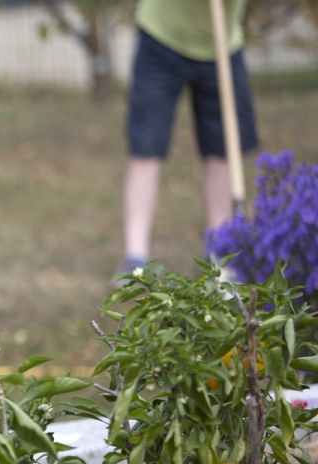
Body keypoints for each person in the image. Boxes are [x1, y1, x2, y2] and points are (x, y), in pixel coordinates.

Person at [120, 0, 259, 276]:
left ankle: (219, 255)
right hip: (161, 38)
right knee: (146, 150)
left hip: (223, 45)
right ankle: (135, 259)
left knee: (222, 153)